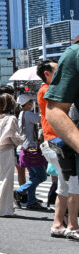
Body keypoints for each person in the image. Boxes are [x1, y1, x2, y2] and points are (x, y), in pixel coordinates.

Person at [37, 60, 79, 238]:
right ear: (48, 74)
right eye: (59, 70)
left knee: (63, 185)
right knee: (74, 185)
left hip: (52, 142)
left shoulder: (44, 90)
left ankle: (57, 224)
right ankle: (72, 226)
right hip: (59, 142)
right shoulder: (49, 90)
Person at [0, 93, 23, 218]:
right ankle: (3, 210)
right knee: (5, 179)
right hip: (5, 149)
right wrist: (20, 141)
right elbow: (12, 136)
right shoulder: (11, 118)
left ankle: (3, 208)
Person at [13, 94, 48, 210]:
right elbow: (42, 120)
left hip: (24, 148)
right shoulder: (27, 114)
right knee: (42, 176)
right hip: (30, 149)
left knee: (34, 176)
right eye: (31, 102)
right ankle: (19, 191)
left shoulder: (21, 114)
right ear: (27, 103)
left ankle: (31, 201)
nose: (32, 104)